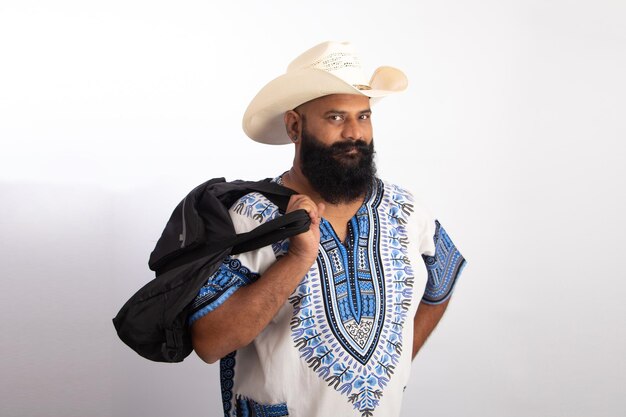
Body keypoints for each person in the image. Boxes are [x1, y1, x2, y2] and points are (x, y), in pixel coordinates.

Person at [188, 41, 466, 417]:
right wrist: (299, 257)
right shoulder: (247, 217)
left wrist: (394, 366)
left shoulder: (407, 209)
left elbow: (441, 280)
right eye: (336, 117)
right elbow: (210, 342)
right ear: (294, 125)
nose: (355, 132)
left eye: (364, 116)